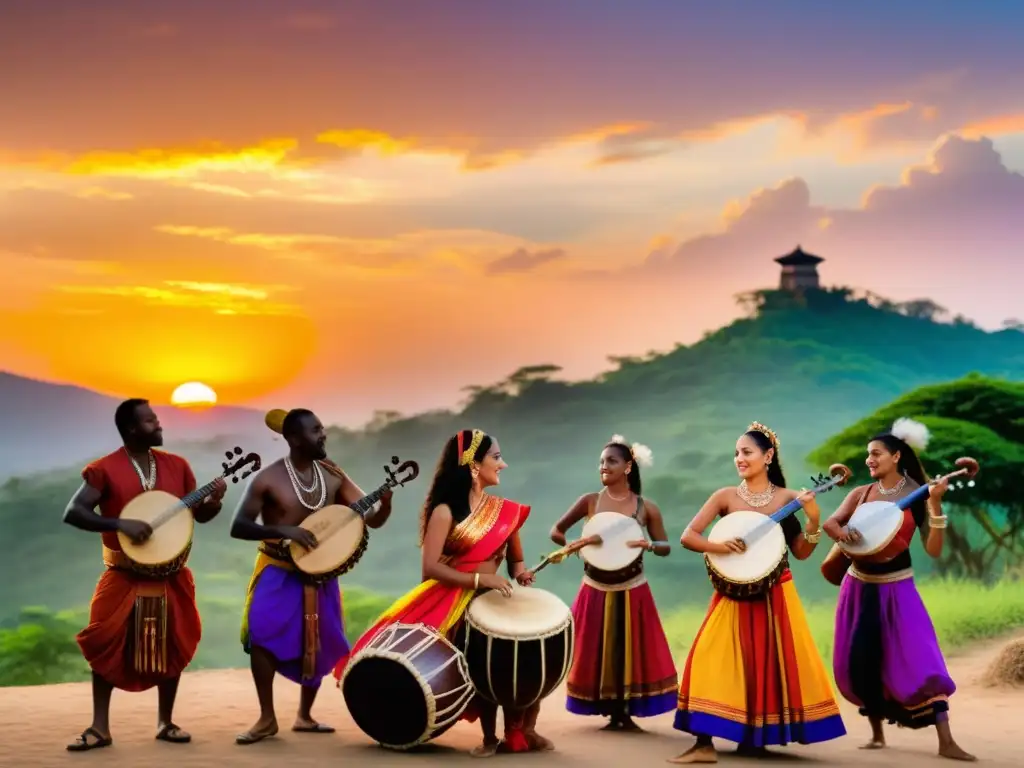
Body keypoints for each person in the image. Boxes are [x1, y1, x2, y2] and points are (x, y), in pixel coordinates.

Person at [332, 428, 553, 757]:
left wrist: (521, 573)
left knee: (515, 661)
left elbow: (515, 561)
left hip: (495, 599)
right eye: (496, 457)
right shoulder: (445, 511)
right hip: (455, 600)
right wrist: (481, 581)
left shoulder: (505, 512)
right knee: (479, 665)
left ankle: (519, 732)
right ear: (473, 465)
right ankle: (491, 737)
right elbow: (431, 569)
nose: (503, 464)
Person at [669, 421, 846, 764]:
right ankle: (702, 743)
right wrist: (718, 546)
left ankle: (754, 739)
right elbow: (689, 536)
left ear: (768, 456)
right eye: (736, 453)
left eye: (746, 452)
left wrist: (811, 523)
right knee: (708, 656)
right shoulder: (724, 496)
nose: (739, 458)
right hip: (731, 593)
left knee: (765, 664)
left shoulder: (789, 498)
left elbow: (802, 553)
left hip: (775, 593)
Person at [63, 398, 227, 752]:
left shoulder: (177, 466)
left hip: (171, 575)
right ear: (133, 429)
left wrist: (213, 504)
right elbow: (75, 512)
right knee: (105, 643)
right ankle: (100, 727)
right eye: (152, 421)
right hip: (122, 573)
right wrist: (119, 522)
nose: (159, 425)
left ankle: (166, 722)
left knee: (172, 643)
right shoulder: (103, 469)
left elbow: (197, 517)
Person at [229, 408, 394, 745]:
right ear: (293, 438)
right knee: (261, 635)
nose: (323, 435)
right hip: (276, 568)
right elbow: (239, 526)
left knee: (317, 640)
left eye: (322, 428)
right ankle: (266, 718)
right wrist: (285, 530)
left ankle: (305, 716)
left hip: (321, 573)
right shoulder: (266, 479)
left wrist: (386, 504)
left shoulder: (333, 475)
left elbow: (372, 518)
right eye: (315, 430)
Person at [822, 417, 975, 761]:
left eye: (875, 453)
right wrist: (843, 535)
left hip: (897, 589)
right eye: (868, 455)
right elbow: (832, 522)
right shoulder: (862, 493)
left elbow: (933, 550)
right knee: (861, 659)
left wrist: (935, 506)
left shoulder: (917, 494)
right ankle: (877, 734)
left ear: (896, 457)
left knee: (921, 659)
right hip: (859, 588)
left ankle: (946, 741)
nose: (869, 460)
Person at [550, 435, 678, 731]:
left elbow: (665, 546)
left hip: (632, 586)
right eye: (601, 462)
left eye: (611, 461)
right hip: (595, 586)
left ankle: (624, 710)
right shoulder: (589, 501)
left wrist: (647, 545)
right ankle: (608, 708)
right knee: (597, 648)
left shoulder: (646, 507)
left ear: (628, 467)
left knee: (628, 650)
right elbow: (557, 531)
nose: (604, 466)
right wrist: (573, 544)